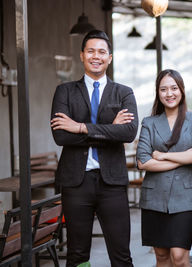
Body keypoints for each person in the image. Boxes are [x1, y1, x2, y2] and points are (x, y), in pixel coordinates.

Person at [50, 30, 137, 267]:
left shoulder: (123, 93)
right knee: (77, 254)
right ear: (82, 55)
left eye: (101, 52)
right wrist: (109, 131)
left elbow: (128, 133)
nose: (95, 56)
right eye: (90, 51)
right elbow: (60, 136)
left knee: (121, 255)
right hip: (76, 183)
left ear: (110, 57)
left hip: (113, 184)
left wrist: (79, 127)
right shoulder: (65, 91)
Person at [136, 69, 192, 267]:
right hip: (154, 199)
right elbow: (143, 161)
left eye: (174, 88)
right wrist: (185, 157)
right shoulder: (149, 122)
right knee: (161, 256)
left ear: (182, 90)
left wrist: (163, 155)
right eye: (163, 89)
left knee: (179, 257)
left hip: (186, 199)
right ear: (158, 93)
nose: (169, 93)